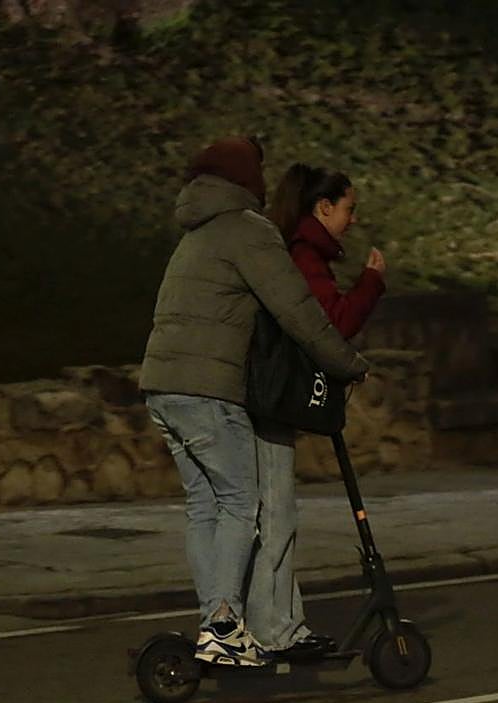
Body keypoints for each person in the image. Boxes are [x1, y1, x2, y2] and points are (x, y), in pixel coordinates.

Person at [139, 138, 370, 667]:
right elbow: (300, 313)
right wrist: (348, 364)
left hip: (163, 386)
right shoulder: (248, 231)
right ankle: (223, 626)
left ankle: (215, 626)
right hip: (208, 391)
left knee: (205, 507)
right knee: (241, 503)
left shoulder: (195, 233)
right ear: (246, 179)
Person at [245, 163, 387, 655]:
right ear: (323, 207)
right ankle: (275, 631)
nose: (353, 219)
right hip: (270, 401)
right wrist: (371, 282)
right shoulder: (304, 256)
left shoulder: (299, 250)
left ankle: (276, 624)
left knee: (270, 513)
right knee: (276, 513)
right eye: (348, 208)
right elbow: (332, 324)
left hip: (268, 397)